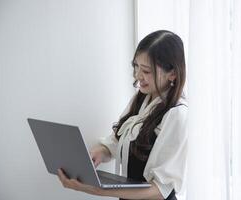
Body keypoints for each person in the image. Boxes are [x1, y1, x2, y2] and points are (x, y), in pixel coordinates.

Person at [57, 30, 189, 200]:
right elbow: (117, 141)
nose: (138, 76)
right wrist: (99, 152)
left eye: (146, 71)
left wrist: (96, 189)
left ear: (173, 73)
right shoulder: (142, 98)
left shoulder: (177, 115)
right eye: (136, 67)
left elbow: (160, 190)